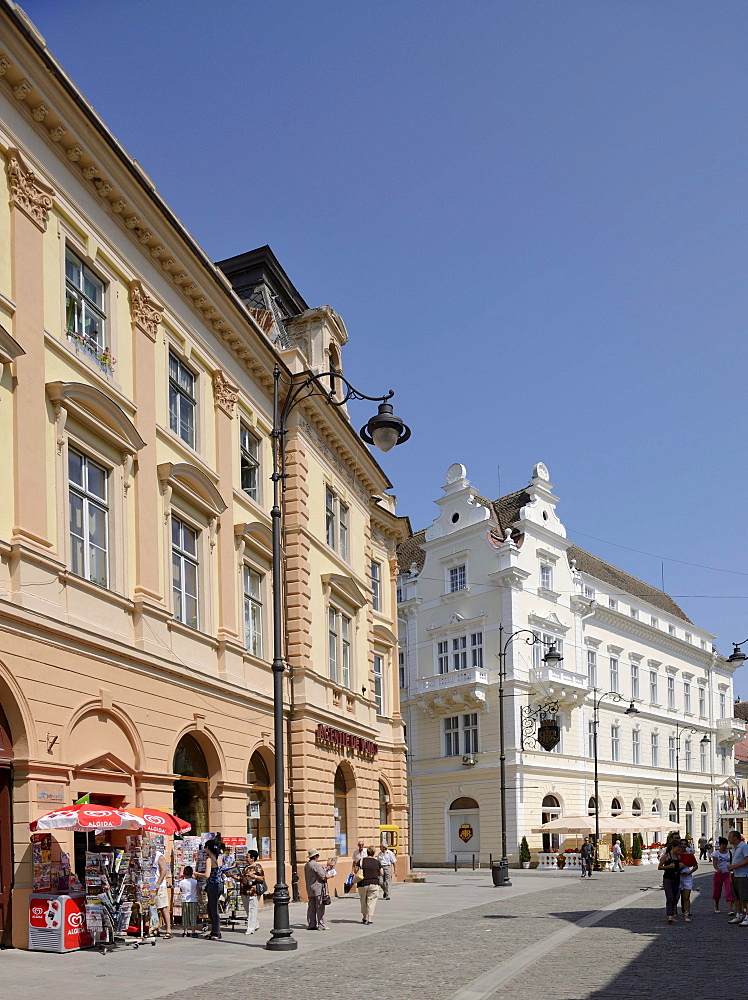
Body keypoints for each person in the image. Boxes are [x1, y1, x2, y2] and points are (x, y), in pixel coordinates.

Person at [197, 837, 225, 940]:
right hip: (220, 884)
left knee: (212, 909)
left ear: (208, 848)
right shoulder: (219, 858)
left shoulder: (209, 859)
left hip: (213, 885)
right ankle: (215, 931)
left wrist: (196, 873)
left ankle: (216, 932)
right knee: (211, 907)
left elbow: (207, 875)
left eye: (205, 848)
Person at [235, 850, 265, 935]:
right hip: (244, 891)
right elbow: (242, 879)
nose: (246, 858)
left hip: (253, 891)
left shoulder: (257, 867)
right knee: (248, 909)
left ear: (253, 858)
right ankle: (255, 924)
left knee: (252, 909)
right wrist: (234, 877)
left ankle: (250, 928)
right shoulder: (246, 867)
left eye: (247, 857)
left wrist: (254, 876)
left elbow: (262, 878)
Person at [305, 849, 332, 931]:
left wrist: (325, 869)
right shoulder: (316, 865)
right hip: (318, 889)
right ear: (315, 856)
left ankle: (311, 924)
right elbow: (323, 876)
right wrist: (330, 875)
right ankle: (321, 924)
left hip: (310, 888)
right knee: (320, 907)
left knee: (311, 907)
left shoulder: (307, 865)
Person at [150, 843, 172, 939]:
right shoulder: (148, 857)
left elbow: (164, 870)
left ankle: (168, 930)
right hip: (151, 886)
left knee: (163, 907)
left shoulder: (159, 856)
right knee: (153, 908)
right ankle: (155, 928)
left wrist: (158, 883)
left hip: (160, 886)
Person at [727, 830, 748, 924]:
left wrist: (734, 866)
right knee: (736, 897)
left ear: (735, 837)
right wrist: (731, 873)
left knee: (745, 897)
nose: (728, 839)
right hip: (735, 875)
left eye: (730, 837)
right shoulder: (734, 848)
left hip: (744, 875)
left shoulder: (744, 846)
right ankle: (739, 915)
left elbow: (747, 860)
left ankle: (747, 917)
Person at [659, 841, 683, 923]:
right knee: (669, 897)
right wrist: (668, 866)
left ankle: (673, 914)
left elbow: (678, 867)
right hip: (667, 879)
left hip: (676, 878)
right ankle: (669, 915)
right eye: (677, 847)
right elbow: (659, 867)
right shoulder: (666, 856)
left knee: (675, 897)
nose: (679, 849)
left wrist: (681, 867)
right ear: (673, 847)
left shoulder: (678, 857)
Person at [357, 847, 381, 925]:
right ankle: (369, 919)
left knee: (363, 900)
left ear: (367, 852)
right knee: (371, 901)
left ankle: (364, 917)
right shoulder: (377, 862)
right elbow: (381, 873)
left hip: (362, 883)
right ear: (374, 853)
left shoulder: (361, 860)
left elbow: (355, 870)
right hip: (374, 883)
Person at [677, 839, 698, 922]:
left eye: (684, 844)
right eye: (681, 844)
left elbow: (695, 866)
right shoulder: (676, 854)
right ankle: (674, 913)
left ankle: (686, 913)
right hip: (678, 876)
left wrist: (690, 872)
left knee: (686, 897)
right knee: (676, 897)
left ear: (687, 845)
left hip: (687, 877)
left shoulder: (690, 855)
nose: (682, 845)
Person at [712, 837, 734, 915]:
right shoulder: (716, 853)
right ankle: (716, 906)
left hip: (728, 874)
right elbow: (714, 864)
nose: (724, 846)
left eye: (725, 844)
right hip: (719, 874)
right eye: (723, 844)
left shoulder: (730, 853)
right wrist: (717, 868)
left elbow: (732, 862)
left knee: (729, 891)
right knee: (717, 891)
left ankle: (729, 909)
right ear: (720, 845)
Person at [177, 865, 199, 937]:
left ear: (183, 873)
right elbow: (198, 891)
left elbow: (181, 890)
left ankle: (185, 931)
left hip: (184, 900)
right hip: (193, 900)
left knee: (185, 916)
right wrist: (200, 899)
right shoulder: (195, 882)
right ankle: (193, 931)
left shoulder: (181, 882)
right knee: (193, 916)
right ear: (192, 873)